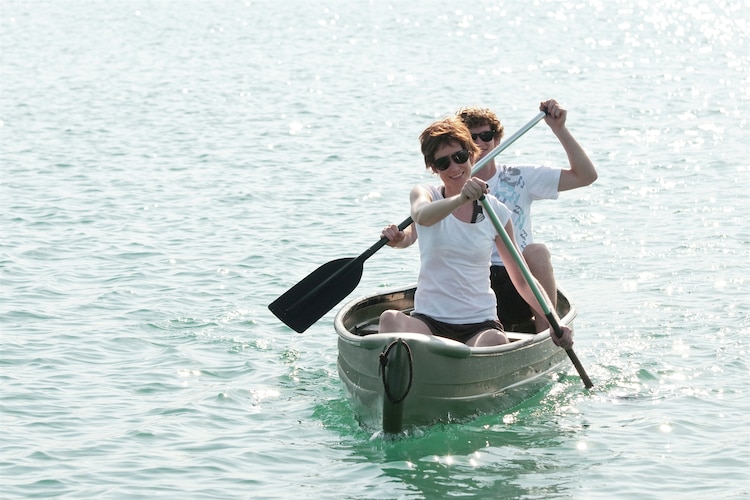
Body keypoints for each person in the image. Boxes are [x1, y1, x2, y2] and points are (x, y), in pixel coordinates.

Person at [384, 99, 597, 332]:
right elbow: (420, 223)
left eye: (485, 136)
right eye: (444, 162)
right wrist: (399, 238)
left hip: (510, 278)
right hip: (462, 282)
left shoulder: (518, 178)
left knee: (537, 252)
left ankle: (547, 333)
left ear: (494, 141)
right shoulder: (431, 191)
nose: (480, 143)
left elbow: (586, 176)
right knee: (391, 317)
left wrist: (559, 128)